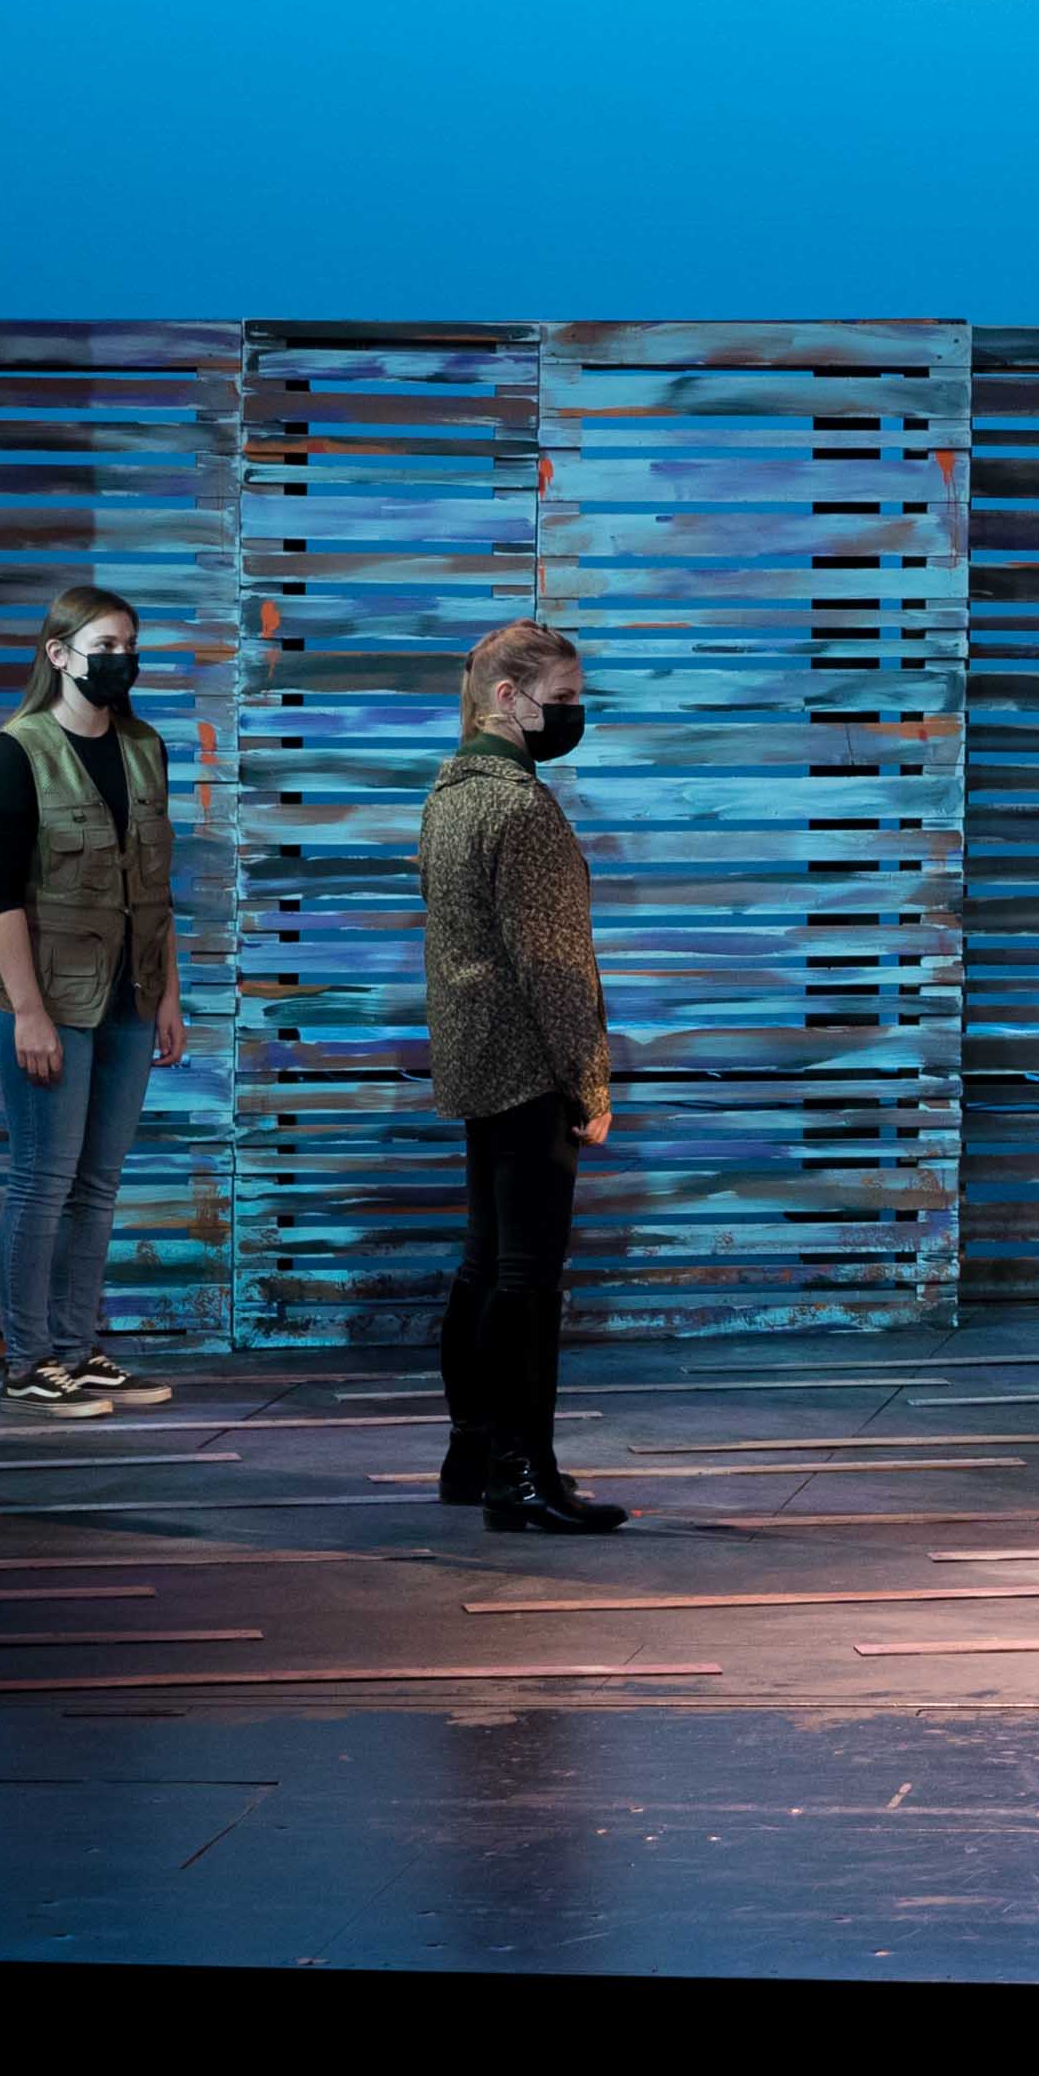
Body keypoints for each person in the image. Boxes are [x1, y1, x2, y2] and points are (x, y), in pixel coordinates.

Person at [420, 618, 622, 1534]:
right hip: (527, 1062)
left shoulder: (448, 794)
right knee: (527, 1277)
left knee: (485, 1263)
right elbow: (551, 966)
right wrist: (589, 1082)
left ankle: (473, 1452)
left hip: (472, 1057)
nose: (576, 714)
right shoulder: (520, 808)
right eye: (565, 698)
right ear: (510, 698)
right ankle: (522, 1473)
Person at [0, 581, 182, 1420]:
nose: (121, 660)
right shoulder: (16, 750)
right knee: (42, 1181)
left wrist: (170, 994)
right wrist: (27, 1011)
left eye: (129, 644)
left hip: (131, 996)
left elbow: (160, 888)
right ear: (58, 655)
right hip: (50, 997)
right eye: (104, 646)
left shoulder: (144, 745)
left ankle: (77, 1349)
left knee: (97, 1185)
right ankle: (28, 1365)